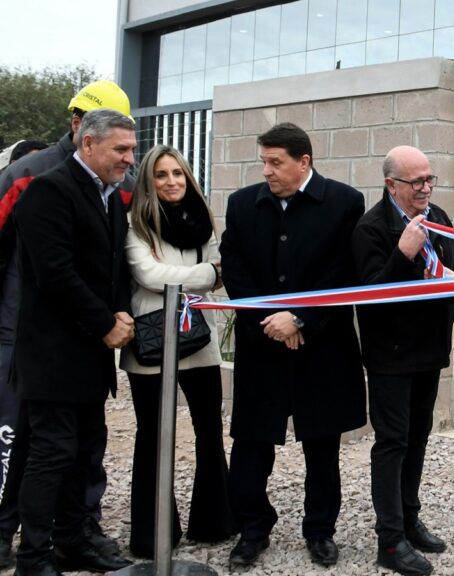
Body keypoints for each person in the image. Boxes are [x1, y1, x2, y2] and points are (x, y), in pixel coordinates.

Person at [219, 122, 366, 569]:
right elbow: (235, 266)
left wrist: (301, 317)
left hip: (322, 347)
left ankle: (320, 531)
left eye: (275, 162)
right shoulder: (243, 205)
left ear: (304, 162)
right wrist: (271, 322)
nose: (267, 171)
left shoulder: (345, 202)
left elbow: (344, 270)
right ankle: (252, 529)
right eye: (263, 161)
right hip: (262, 344)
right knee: (251, 444)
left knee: (322, 446)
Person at [0, 80, 134, 568]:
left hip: (88, 357)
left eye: (131, 149)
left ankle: (72, 542)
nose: (128, 159)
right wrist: (104, 323)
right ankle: (35, 557)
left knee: (84, 453)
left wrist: (119, 312)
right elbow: (55, 274)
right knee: (50, 455)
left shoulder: (108, 195)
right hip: (52, 356)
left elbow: (111, 265)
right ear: (88, 142)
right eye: (120, 149)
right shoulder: (47, 191)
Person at [352, 145, 454, 576]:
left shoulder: (438, 218)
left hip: (429, 351)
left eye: (430, 179)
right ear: (391, 185)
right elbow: (372, 298)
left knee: (419, 438)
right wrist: (403, 253)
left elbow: (451, 277)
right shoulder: (371, 229)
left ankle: (408, 518)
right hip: (390, 356)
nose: (426, 188)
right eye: (416, 182)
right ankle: (389, 542)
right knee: (392, 444)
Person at [119, 145, 235, 558]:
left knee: (209, 430)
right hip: (150, 344)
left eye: (178, 174)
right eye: (162, 175)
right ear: (149, 181)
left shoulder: (202, 221)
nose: (171, 181)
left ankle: (214, 522)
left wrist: (197, 276)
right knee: (152, 435)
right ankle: (152, 535)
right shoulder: (135, 224)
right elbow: (149, 274)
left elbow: (220, 264)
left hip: (196, 340)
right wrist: (203, 275)